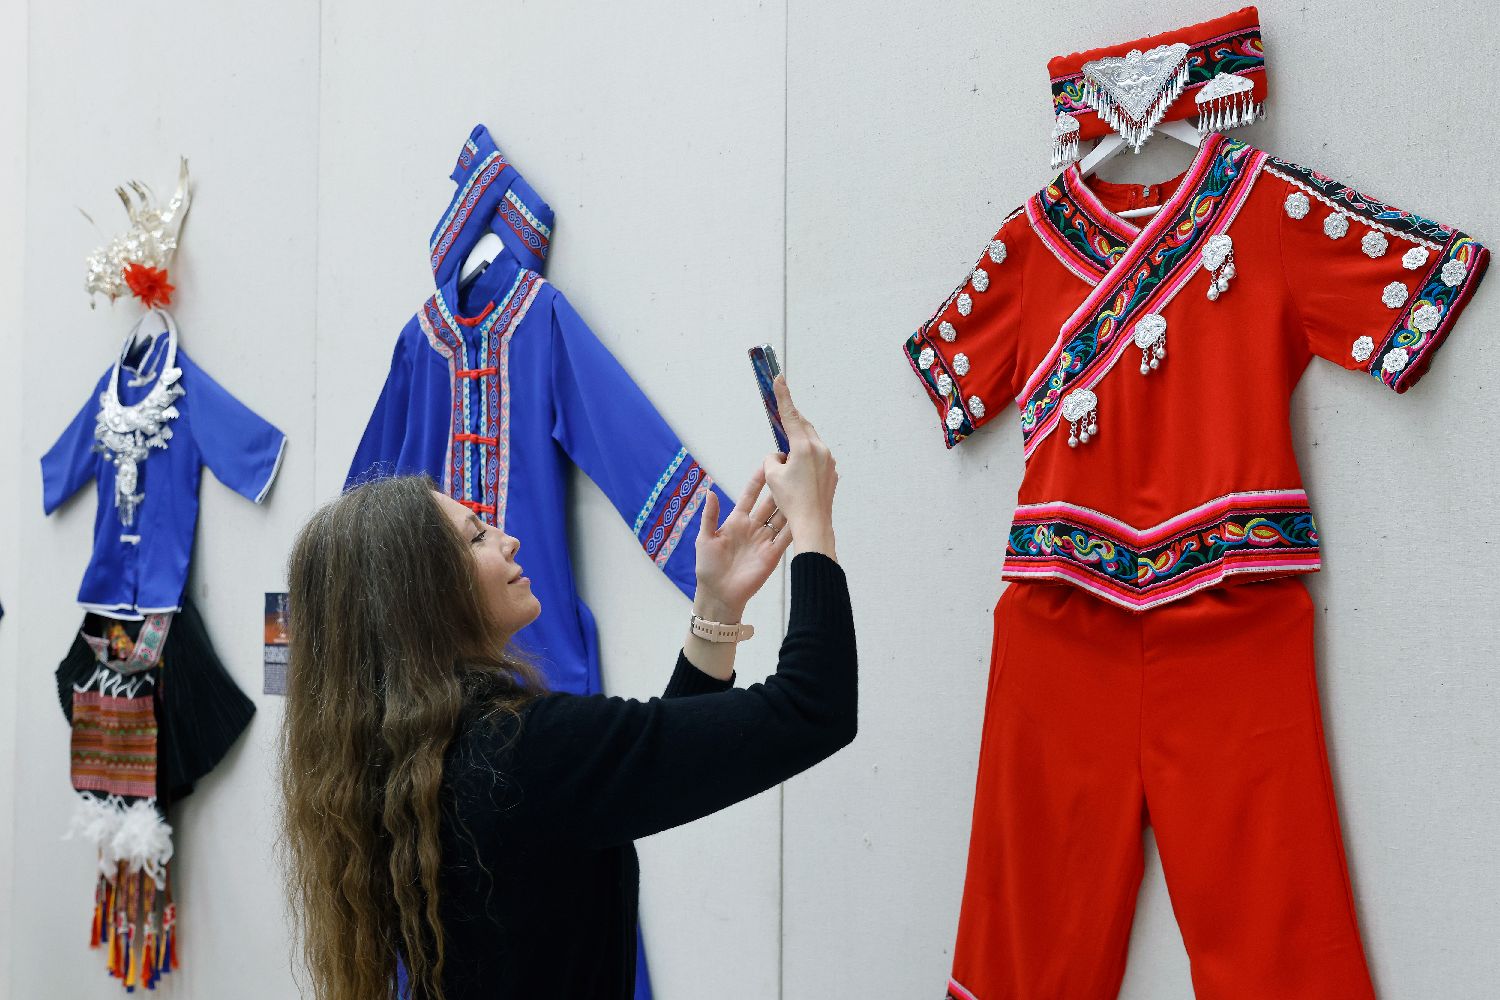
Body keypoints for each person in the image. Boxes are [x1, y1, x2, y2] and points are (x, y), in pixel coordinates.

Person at [279, 377, 856, 1000]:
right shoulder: (520, 752)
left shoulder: (415, 759)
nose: (508, 539)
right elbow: (812, 707)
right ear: (423, 596)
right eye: (477, 536)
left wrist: (716, 605)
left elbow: (649, 767)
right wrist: (812, 524)